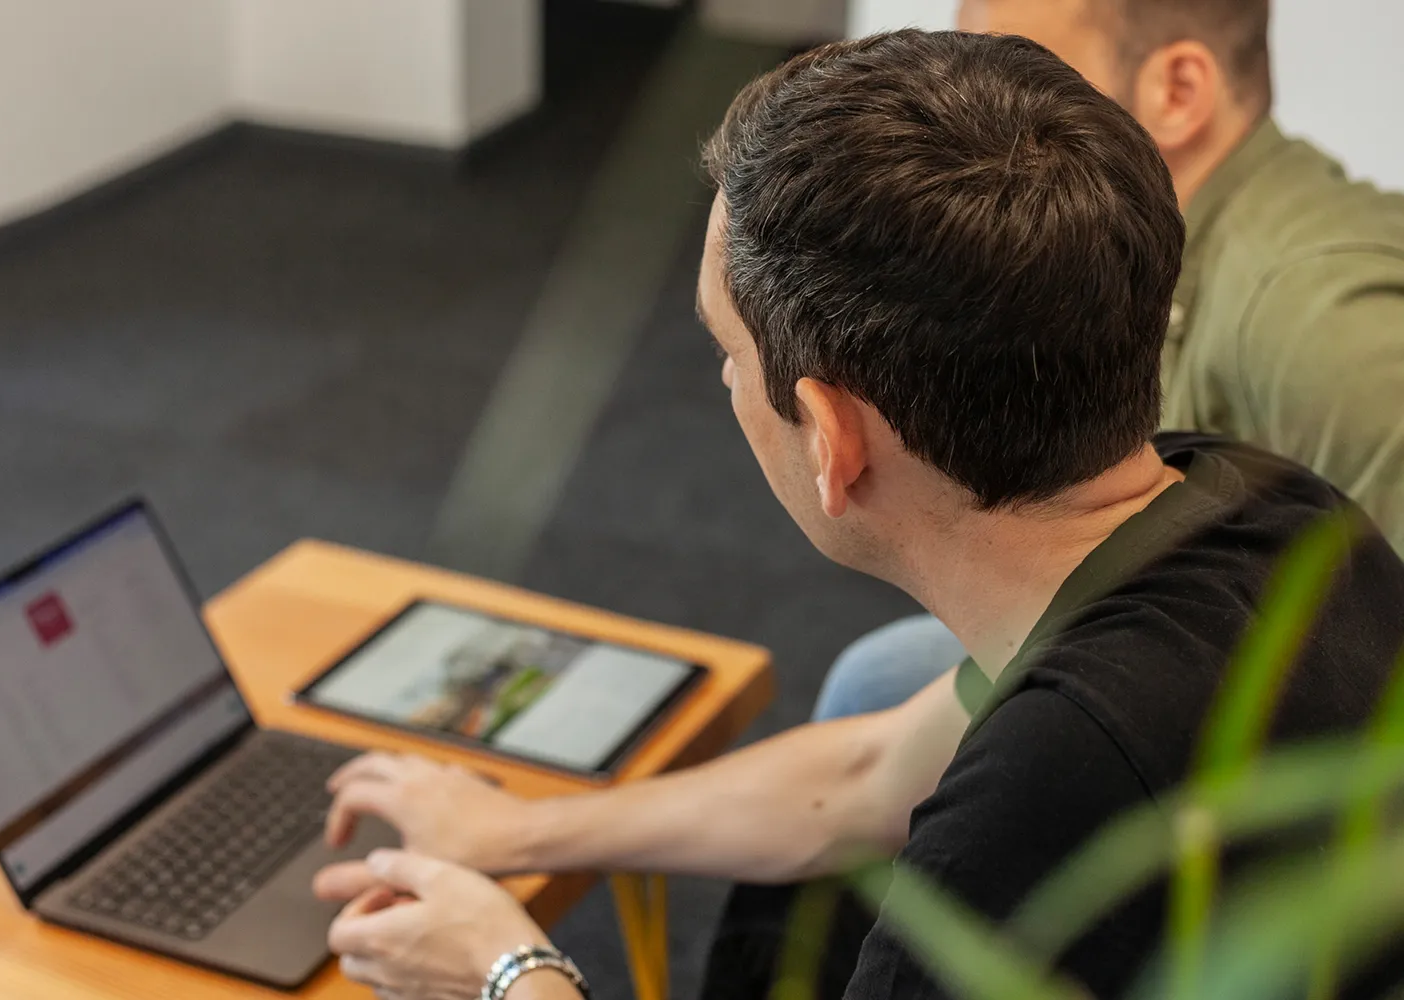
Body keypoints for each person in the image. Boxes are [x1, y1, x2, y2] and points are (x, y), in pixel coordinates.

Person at [310, 30, 1404, 1000]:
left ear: (832, 441)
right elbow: (874, 774)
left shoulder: (1043, 792)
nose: (723, 388)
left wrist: (511, 971)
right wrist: (519, 832)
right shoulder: (1249, 493)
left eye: (725, 354)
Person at [815, 0, 1404, 724]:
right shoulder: (1129, 255)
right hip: (1185, 622)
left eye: (1015, 75)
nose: (955, 122)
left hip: (1274, 720)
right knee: (877, 683)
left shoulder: (1327, 327)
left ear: (1179, 91)